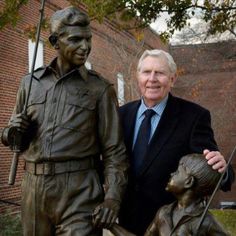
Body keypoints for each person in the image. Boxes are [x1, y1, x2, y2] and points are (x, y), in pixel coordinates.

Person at [1, 6, 128, 236]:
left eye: (88, 39)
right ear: (55, 41)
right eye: (76, 39)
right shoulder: (30, 83)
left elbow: (114, 152)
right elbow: (12, 136)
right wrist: (13, 131)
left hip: (80, 192)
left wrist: (112, 198)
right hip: (34, 189)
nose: (85, 47)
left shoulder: (100, 89)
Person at [118, 49, 234, 235]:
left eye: (160, 73)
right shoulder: (120, 115)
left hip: (171, 225)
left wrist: (223, 170)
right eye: (146, 72)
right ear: (138, 76)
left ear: (172, 79)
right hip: (126, 221)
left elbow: (210, 165)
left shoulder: (195, 117)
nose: (152, 78)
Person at [110, 153, 229, 236]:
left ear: (189, 181)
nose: (172, 173)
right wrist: (112, 226)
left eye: (177, 171)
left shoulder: (206, 221)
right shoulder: (163, 213)